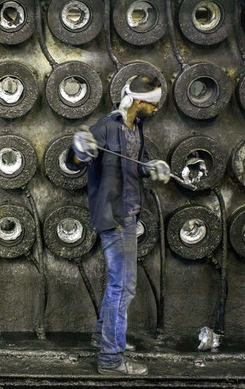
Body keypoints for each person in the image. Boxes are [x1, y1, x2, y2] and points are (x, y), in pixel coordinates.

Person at [66, 75, 171, 375]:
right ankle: (112, 359)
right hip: (115, 217)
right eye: (154, 105)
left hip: (129, 215)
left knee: (118, 285)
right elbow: (75, 162)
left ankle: (103, 339)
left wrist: (151, 168)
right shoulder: (106, 127)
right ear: (139, 102)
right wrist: (78, 150)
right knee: (122, 288)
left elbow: (137, 163)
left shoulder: (135, 127)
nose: (156, 110)